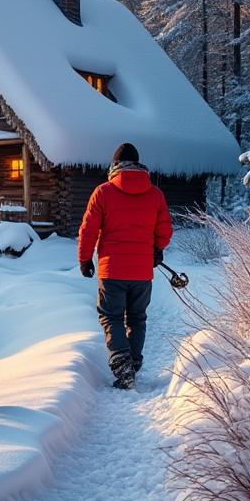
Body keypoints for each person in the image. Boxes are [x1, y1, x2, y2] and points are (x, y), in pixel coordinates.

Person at [77, 142, 172, 389]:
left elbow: (88, 230)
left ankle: (122, 365)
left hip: (112, 270)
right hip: (141, 271)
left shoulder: (103, 192)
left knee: (112, 316)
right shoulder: (155, 194)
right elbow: (165, 230)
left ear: (115, 166)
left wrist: (85, 259)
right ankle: (133, 362)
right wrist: (157, 249)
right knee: (137, 318)